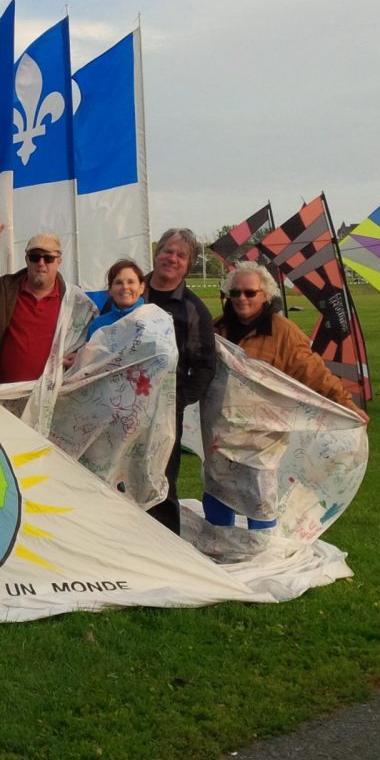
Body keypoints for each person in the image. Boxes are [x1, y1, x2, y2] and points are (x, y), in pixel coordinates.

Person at [206, 261, 369, 529]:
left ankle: (260, 549)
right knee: (218, 490)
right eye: (235, 293)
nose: (241, 299)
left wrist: (347, 405)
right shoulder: (217, 329)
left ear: (265, 295)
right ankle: (217, 543)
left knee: (259, 496)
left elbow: (315, 373)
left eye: (250, 293)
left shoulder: (284, 333)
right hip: (222, 432)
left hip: (262, 437)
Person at [142, 228, 217, 535]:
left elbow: (205, 364)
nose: (171, 258)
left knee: (160, 480)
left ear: (188, 264)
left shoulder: (194, 309)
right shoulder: (129, 289)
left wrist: (178, 399)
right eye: (166, 251)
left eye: (180, 255)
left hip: (164, 411)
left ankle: (164, 550)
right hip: (119, 406)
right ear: (156, 254)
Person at [0, 219, 76, 385]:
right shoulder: (1, 289)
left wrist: (80, 355)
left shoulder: (73, 301)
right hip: (3, 395)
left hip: (52, 397)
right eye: (35, 257)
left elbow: (88, 339)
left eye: (48, 258)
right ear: (26, 259)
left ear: (59, 261)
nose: (41, 263)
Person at [86, 259, 148, 338]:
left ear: (141, 287)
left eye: (130, 282)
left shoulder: (154, 319)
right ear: (110, 290)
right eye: (118, 283)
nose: (125, 287)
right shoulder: (98, 325)